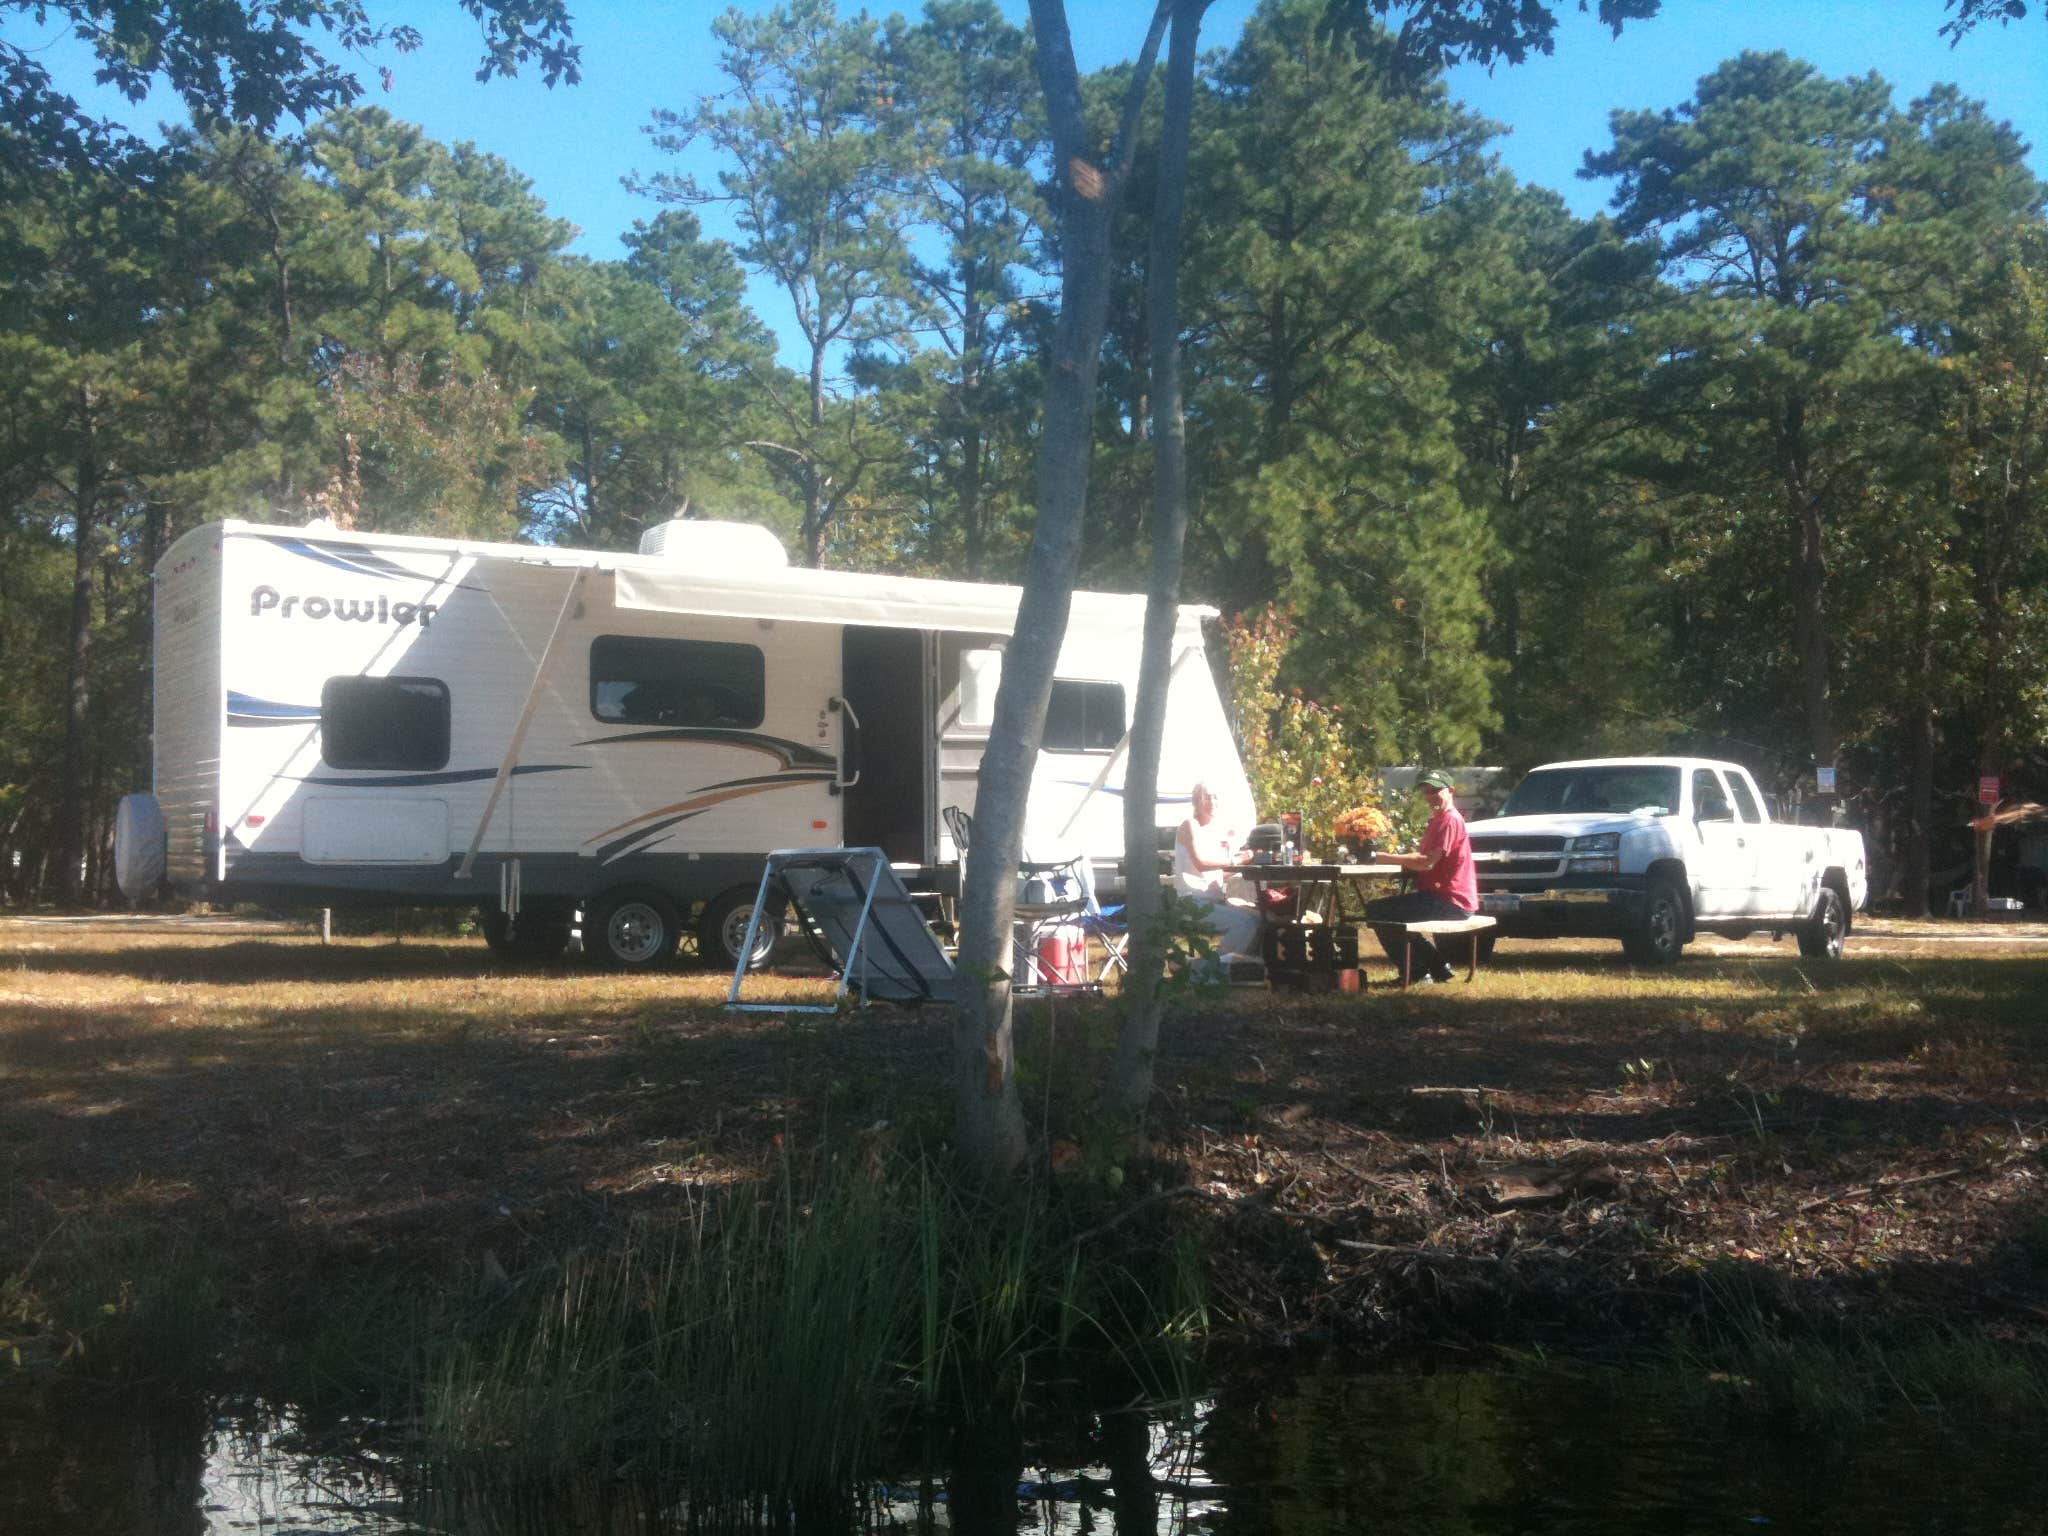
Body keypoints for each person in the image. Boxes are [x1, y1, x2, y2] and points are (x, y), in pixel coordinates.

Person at [1366, 768, 1479, 984]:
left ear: (1451, 791)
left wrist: (1383, 857)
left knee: (1378, 911)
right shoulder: (1438, 820)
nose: (1431, 796)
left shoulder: (1449, 821)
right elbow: (1423, 858)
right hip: (1442, 896)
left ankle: (1416, 973)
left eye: (1436, 790)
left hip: (1451, 901)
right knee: (1390, 913)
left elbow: (1427, 862)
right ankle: (1438, 966)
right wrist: (1395, 859)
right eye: (1427, 791)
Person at [1174, 781, 1263, 959]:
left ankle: (1237, 966)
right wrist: (1235, 860)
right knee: (1245, 924)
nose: (1213, 802)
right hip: (1193, 902)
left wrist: (1247, 861)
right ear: (1196, 802)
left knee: (1260, 919)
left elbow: (1217, 873)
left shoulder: (1215, 832)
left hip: (1212, 900)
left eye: (1215, 797)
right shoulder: (1189, 826)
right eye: (1207, 797)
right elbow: (1200, 864)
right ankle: (1212, 967)